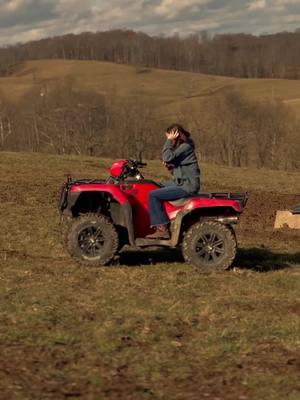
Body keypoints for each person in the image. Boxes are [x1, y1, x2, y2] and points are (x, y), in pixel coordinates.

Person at [146, 124, 200, 239]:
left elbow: (167, 157)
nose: (168, 139)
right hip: (181, 183)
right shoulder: (183, 148)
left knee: (153, 195)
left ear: (175, 135)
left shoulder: (186, 147)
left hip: (187, 186)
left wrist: (168, 141)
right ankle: (166, 218)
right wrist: (170, 167)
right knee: (154, 186)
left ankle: (162, 228)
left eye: (169, 136)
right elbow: (178, 171)